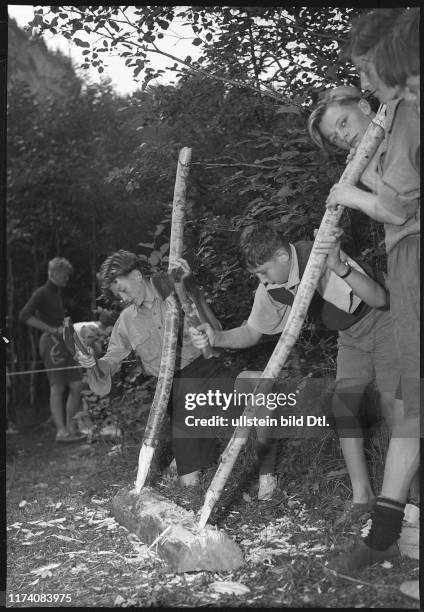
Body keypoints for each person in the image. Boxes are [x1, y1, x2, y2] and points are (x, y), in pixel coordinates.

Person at [189, 222, 397, 517]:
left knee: (394, 406)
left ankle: (405, 497)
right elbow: (251, 331)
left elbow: (379, 299)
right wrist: (217, 337)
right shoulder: (271, 288)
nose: (261, 280)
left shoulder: (318, 254)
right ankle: (363, 498)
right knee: (344, 407)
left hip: (386, 320)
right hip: (350, 337)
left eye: (263, 271)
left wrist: (338, 267)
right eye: (257, 275)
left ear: (283, 256)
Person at [311, 71, 419, 571]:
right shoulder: (377, 154)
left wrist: (347, 194)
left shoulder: (402, 118)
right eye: (335, 137)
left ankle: (387, 531)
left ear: (364, 102)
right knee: (409, 406)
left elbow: (396, 212)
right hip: (405, 267)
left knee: (410, 404)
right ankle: (386, 532)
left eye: (344, 122)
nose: (344, 135)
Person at [74, 249, 273, 494]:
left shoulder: (174, 288)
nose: (123, 298)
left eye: (123, 290)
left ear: (137, 275)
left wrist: (191, 289)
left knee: (260, 391)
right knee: (188, 482)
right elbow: (111, 361)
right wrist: (92, 363)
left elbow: (214, 329)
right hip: (174, 392)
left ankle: (268, 476)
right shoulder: (126, 321)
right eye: (118, 295)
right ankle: (185, 458)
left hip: (206, 372)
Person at [19, 257, 84, 442]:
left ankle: (71, 428)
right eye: (65, 275)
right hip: (51, 343)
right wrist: (50, 330)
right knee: (57, 386)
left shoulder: (56, 292)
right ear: (55, 274)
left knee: (77, 384)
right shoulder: (42, 292)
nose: (67, 279)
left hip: (66, 340)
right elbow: (24, 315)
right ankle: (61, 432)